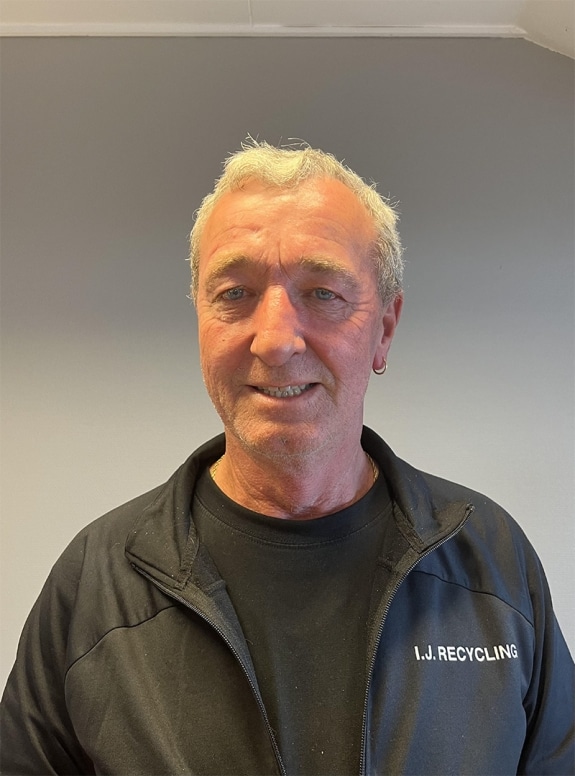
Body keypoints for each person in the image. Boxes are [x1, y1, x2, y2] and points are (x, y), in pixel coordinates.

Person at [1, 141, 573, 775]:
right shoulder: (96, 585)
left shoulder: (491, 561)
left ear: (384, 328)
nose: (275, 340)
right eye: (234, 292)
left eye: (323, 293)